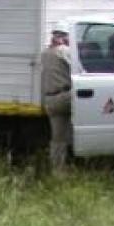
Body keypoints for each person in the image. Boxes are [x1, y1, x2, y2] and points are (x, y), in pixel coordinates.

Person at [40, 21, 73, 171]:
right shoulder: (64, 51)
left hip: (50, 100)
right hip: (65, 97)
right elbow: (79, 67)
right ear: (64, 37)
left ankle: (57, 170)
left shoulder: (45, 53)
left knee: (57, 138)